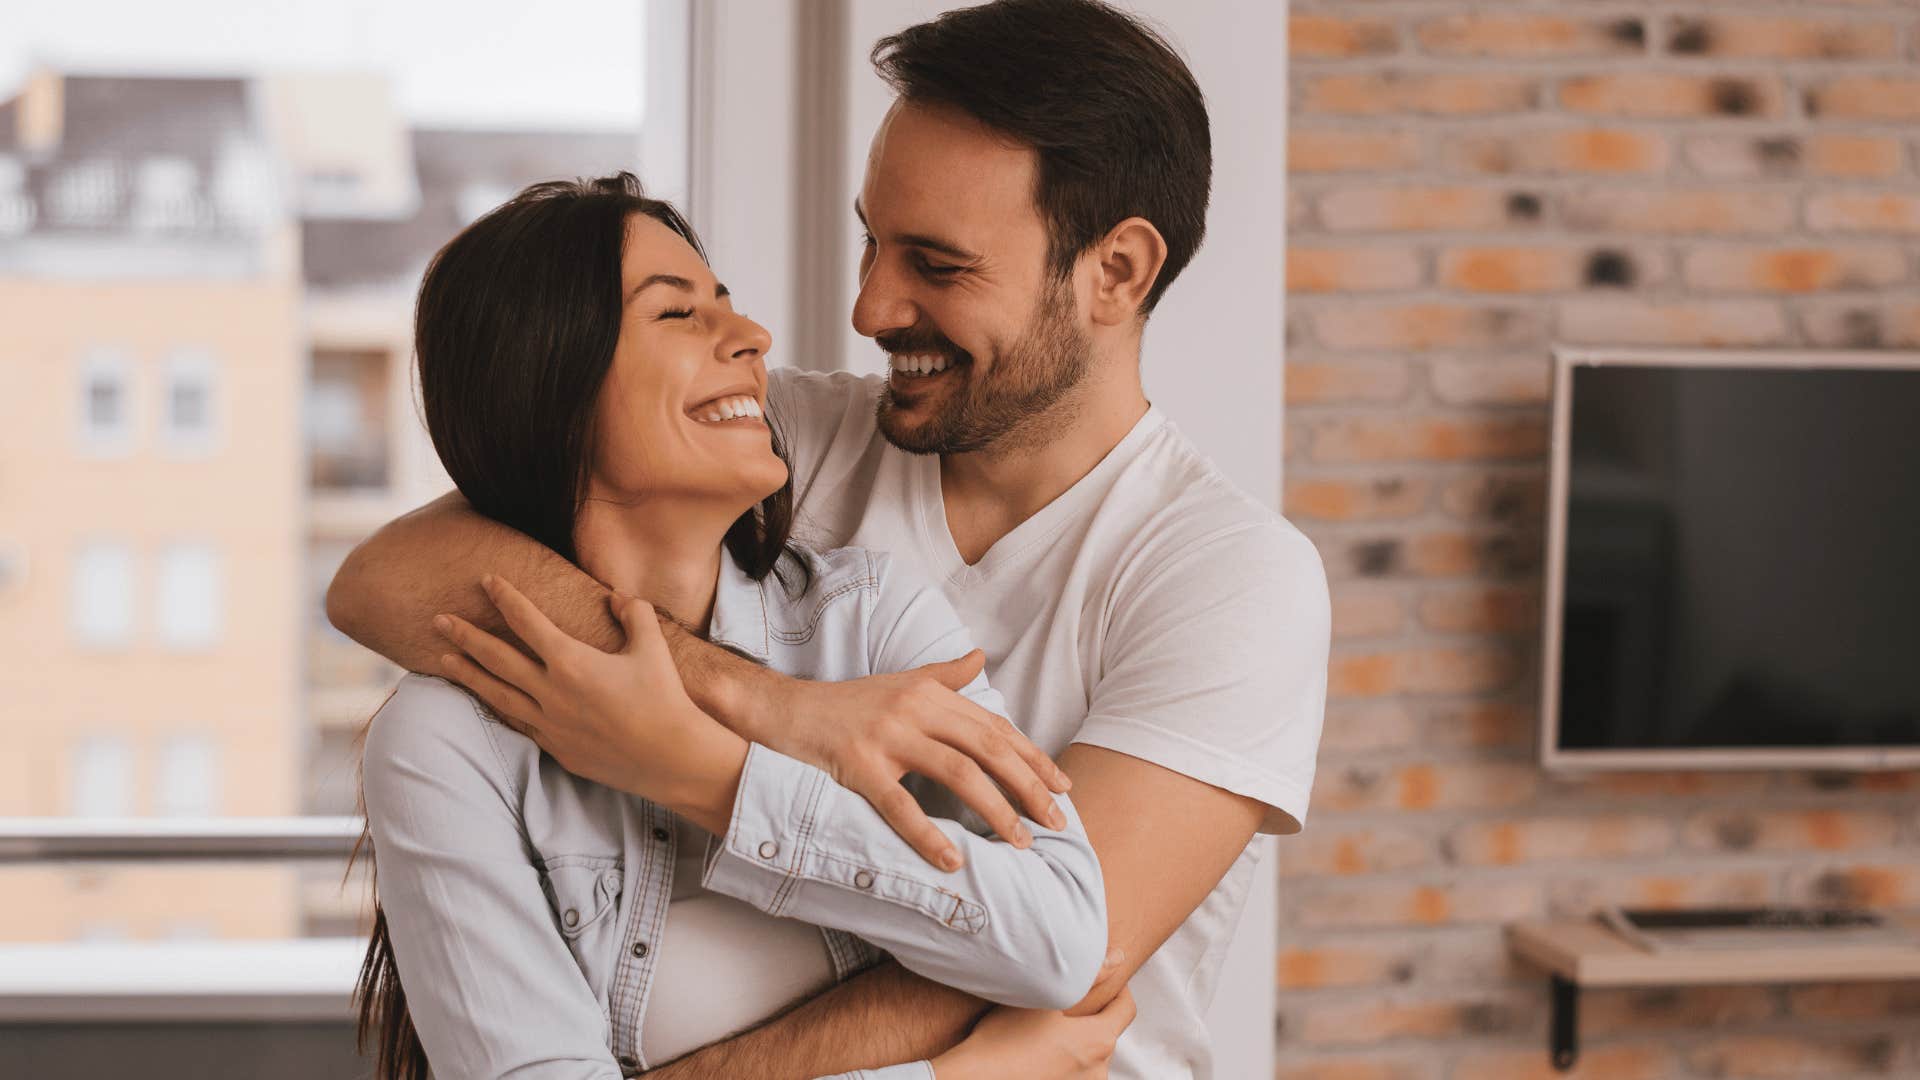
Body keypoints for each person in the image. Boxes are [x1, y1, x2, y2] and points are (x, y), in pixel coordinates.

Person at [330, 1, 1329, 1077]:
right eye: (872, 241)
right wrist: (771, 708)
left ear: (1116, 273)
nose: (867, 307)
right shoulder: (781, 446)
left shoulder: (1231, 580)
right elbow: (387, 575)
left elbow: (1064, 959)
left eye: (937, 266)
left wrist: (697, 766)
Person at [355, 175, 1131, 1080]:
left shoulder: (869, 619)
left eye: (725, 302)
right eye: (678, 315)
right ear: (548, 380)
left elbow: (1062, 939)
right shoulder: (445, 742)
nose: (753, 338)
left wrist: (710, 775)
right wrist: (962, 1075)